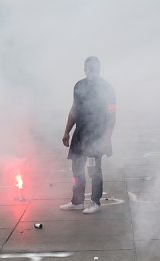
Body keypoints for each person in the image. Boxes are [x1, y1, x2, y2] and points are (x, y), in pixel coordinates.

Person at [60, 56, 116, 214]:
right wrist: (66, 132)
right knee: (77, 169)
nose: (93, 72)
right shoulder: (79, 86)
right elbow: (74, 110)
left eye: (96, 69)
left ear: (100, 70)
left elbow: (112, 116)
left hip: (97, 135)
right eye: (90, 69)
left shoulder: (107, 88)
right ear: (85, 70)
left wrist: (106, 138)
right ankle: (77, 201)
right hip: (80, 134)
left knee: (94, 170)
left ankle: (95, 202)